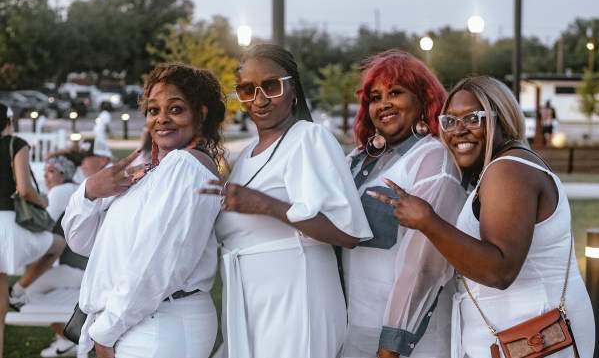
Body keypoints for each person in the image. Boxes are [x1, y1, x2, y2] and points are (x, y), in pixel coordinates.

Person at [368, 76, 595, 358]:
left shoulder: (508, 171)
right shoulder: (504, 167)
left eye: (473, 119)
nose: (458, 131)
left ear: (503, 118)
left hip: (533, 339)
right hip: (524, 335)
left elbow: (498, 270)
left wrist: (427, 221)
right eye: (449, 121)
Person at [198, 44, 373, 358]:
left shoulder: (309, 138)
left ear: (293, 89)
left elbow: (347, 233)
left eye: (271, 86)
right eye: (247, 90)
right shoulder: (244, 155)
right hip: (250, 300)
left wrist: (267, 205)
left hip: (297, 298)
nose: (260, 100)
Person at [62, 63, 226, 358]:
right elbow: (83, 243)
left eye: (175, 109)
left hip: (159, 325)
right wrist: (90, 192)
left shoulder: (185, 167)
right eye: (153, 110)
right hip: (140, 321)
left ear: (201, 114)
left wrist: (106, 333)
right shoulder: (152, 173)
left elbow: (155, 263)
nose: (161, 119)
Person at [342, 50, 466, 358]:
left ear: (424, 100)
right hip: (355, 327)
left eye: (395, 93)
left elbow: (425, 266)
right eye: (374, 97)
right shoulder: (359, 160)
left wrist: (392, 345)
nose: (383, 104)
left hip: (411, 339)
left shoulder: (433, 159)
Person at [0, 103, 66, 357]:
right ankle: (20, 289)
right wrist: (44, 201)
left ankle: (14, 292)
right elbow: (25, 189)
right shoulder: (15, 143)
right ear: (8, 121)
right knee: (57, 245)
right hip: (7, 225)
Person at [30, 152, 85, 358]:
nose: (46, 176)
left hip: (76, 267)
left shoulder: (60, 192)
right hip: (84, 266)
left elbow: (39, 227)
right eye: (45, 171)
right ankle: (66, 338)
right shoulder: (74, 187)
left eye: (51, 171)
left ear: (64, 174)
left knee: (23, 291)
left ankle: (69, 338)